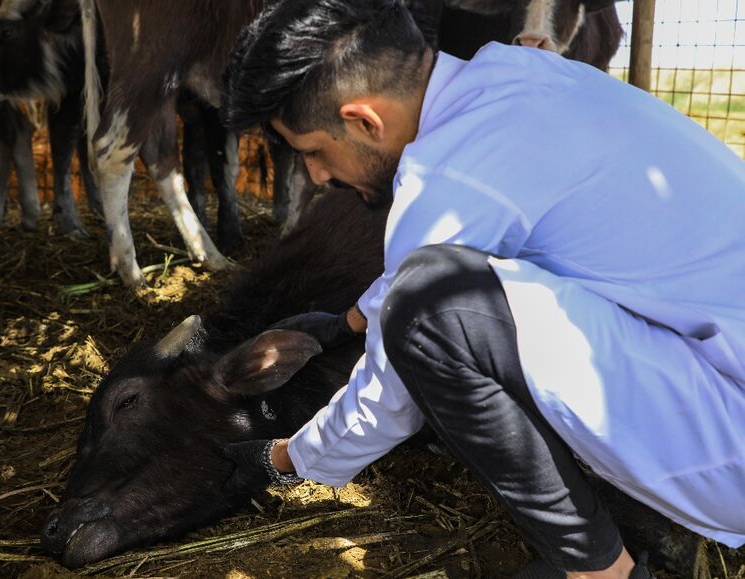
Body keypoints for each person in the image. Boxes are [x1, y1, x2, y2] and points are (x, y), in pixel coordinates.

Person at [219, 1, 745, 577]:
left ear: (365, 121)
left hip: (728, 434)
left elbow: (389, 393)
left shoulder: (446, 172)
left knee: (430, 311)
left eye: (313, 152)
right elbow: (449, 247)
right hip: (716, 361)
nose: (317, 177)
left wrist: (286, 458)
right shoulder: (513, 79)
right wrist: (347, 321)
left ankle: (601, 571)